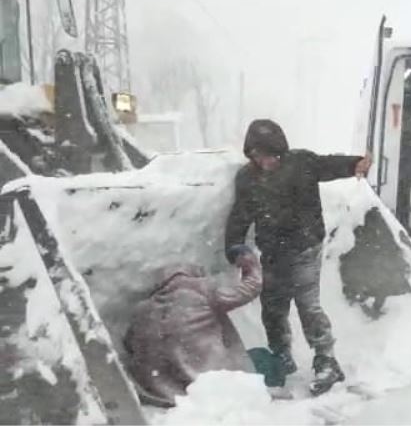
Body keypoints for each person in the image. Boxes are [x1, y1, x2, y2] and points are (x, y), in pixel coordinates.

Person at [225, 119, 372, 396]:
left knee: (308, 306)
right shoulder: (247, 178)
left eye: (271, 155)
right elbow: (240, 215)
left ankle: (326, 360)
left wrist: (355, 164)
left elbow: (329, 165)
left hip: (306, 247)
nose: (266, 161)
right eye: (258, 156)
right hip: (273, 251)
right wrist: (234, 246)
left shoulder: (301, 162)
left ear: (281, 151)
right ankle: (281, 353)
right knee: (273, 306)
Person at [123, 245, 262, 406]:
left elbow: (129, 344)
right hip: (204, 381)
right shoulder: (203, 289)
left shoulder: (143, 309)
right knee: (259, 359)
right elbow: (250, 288)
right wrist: (248, 261)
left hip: (159, 390)